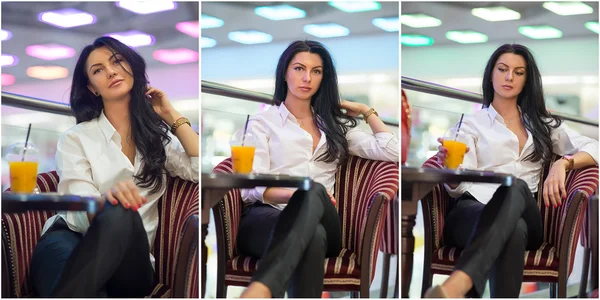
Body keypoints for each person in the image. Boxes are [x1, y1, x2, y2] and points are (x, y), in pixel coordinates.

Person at [28, 36, 199, 297]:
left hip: (134, 261)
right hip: (71, 240)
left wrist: (171, 115)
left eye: (116, 61)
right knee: (118, 209)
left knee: (124, 212)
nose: (111, 71)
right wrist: (107, 203)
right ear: (93, 88)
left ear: (130, 67)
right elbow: (77, 206)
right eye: (98, 70)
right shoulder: (76, 138)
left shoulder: (157, 137)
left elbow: (199, 170)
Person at [425, 44, 598, 298]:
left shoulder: (542, 124)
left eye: (518, 72)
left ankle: (459, 284)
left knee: (514, 186)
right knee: (512, 231)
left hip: (527, 211)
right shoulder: (471, 123)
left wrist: (564, 163)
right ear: (491, 74)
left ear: (527, 80)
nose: (509, 77)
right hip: (471, 211)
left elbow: (594, 146)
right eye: (503, 69)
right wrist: (450, 168)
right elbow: (457, 188)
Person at [236, 40, 398, 298]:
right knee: (311, 230)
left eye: (317, 71)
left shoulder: (336, 127)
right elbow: (250, 187)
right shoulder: (261, 124)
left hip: (326, 217)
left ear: (324, 78)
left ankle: (261, 288)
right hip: (266, 218)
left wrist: (367, 112)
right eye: (299, 68)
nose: (307, 78)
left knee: (314, 192)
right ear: (285, 72)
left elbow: (393, 151)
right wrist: (296, 195)